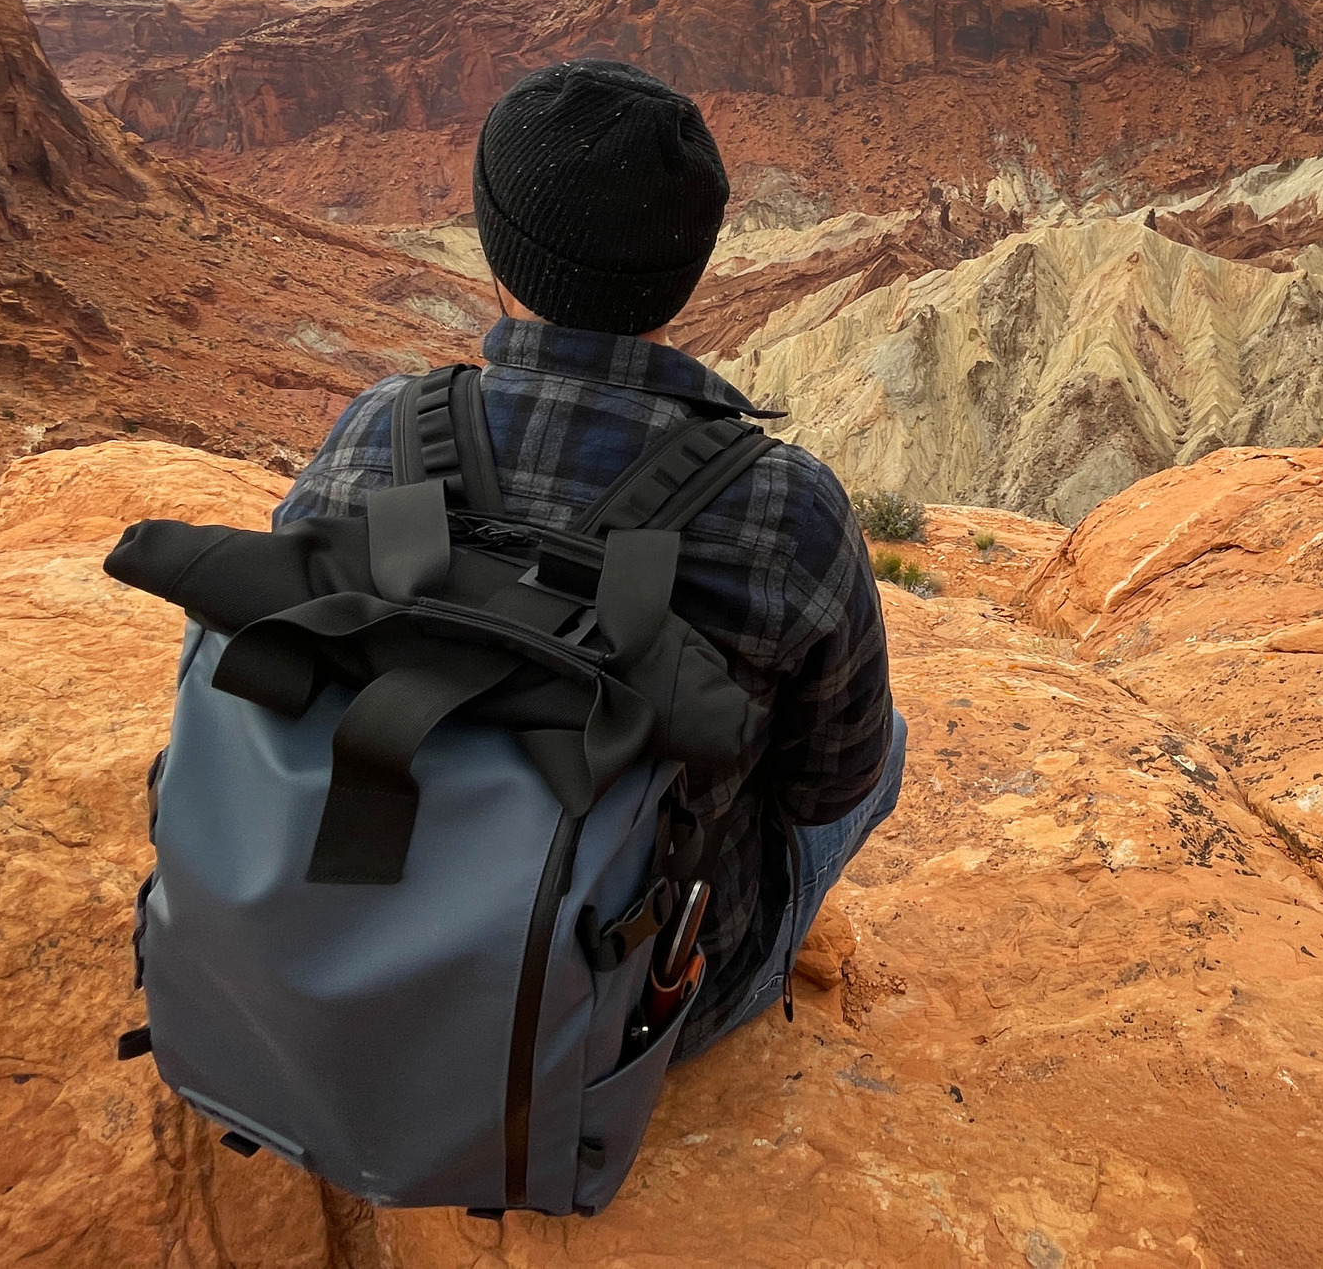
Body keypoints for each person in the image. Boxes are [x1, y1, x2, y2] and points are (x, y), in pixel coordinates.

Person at [273, 58, 903, 1059]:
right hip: (620, 1010)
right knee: (886, 745)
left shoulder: (376, 431)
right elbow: (826, 784)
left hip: (359, 945)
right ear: (690, 264)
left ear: (495, 248)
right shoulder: (787, 507)